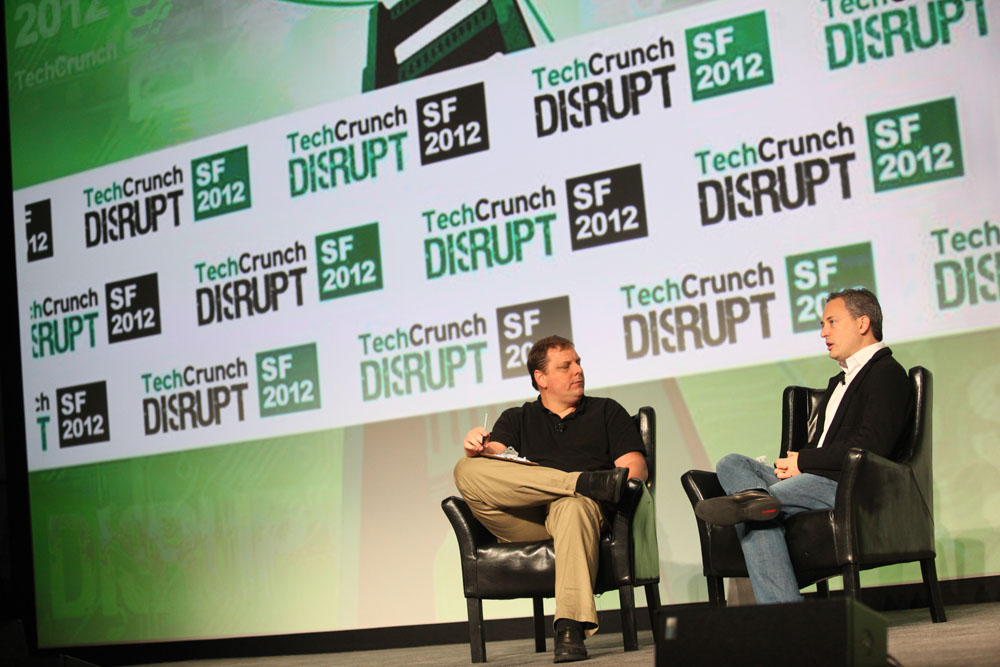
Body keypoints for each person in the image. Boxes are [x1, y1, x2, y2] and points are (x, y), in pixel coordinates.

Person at [694, 287, 914, 603]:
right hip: (812, 479)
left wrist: (804, 463)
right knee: (732, 463)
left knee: (756, 514)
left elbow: (871, 447)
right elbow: (818, 446)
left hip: (847, 484)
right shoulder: (838, 383)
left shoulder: (886, 373)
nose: (823, 332)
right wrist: (793, 467)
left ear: (863, 323)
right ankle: (753, 501)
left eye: (831, 322)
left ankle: (784, 612)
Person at [453, 335, 647, 663]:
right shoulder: (516, 418)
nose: (578, 370)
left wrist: (592, 492)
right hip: (525, 519)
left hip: (581, 516)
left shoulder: (606, 411)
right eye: (566, 366)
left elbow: (635, 469)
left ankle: (569, 627)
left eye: (579, 362)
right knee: (465, 469)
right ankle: (583, 483)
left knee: (571, 506)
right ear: (540, 379)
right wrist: (478, 447)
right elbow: (494, 459)